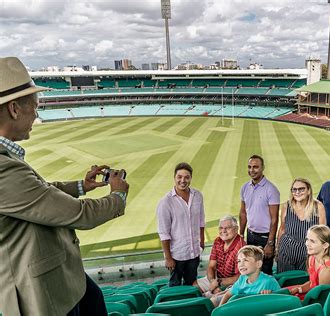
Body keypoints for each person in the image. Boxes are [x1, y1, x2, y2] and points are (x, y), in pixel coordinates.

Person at [0, 57, 129, 316]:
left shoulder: (7, 158)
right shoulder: (3, 168)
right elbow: (78, 214)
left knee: (94, 299)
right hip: (41, 294)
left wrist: (82, 185)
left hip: (59, 280)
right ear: (14, 109)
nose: (36, 114)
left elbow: (40, 191)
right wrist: (118, 195)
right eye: (34, 106)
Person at [157, 162, 205, 286]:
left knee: (192, 285)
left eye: (186, 177)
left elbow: (201, 220)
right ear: (174, 178)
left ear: (190, 178)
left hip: (194, 253)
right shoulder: (165, 202)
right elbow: (164, 233)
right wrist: (168, 258)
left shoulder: (198, 196)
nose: (183, 180)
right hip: (176, 255)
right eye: (179, 177)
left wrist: (202, 242)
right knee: (175, 287)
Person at [240, 154, 280, 275]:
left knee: (265, 271)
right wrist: (241, 235)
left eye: (255, 167)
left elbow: (274, 219)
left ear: (262, 168)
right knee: (250, 270)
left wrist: (270, 243)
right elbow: (243, 213)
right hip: (250, 235)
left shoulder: (271, 189)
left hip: (265, 238)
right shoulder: (245, 187)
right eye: (249, 167)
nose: (252, 170)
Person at [276, 178, 326, 273]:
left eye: (301, 189)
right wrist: (277, 249)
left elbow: (323, 234)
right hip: (286, 250)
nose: (297, 192)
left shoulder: (318, 206)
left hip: (309, 252)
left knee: (305, 281)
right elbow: (282, 229)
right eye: (294, 189)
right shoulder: (286, 206)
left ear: (309, 191)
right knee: (286, 281)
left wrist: (321, 254)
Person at [194, 215, 245, 305]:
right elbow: (211, 266)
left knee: (214, 300)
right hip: (217, 279)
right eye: (221, 228)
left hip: (233, 283)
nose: (223, 231)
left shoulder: (241, 246)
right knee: (194, 287)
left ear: (236, 229)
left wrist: (218, 283)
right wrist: (213, 282)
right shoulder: (218, 241)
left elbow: (240, 277)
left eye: (227, 228)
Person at [288, 225, 330, 299]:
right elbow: (312, 283)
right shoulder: (312, 258)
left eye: (312, 241)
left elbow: (320, 298)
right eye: (307, 239)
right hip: (315, 295)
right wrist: (299, 289)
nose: (307, 244)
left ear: (325, 245)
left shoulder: (326, 271)